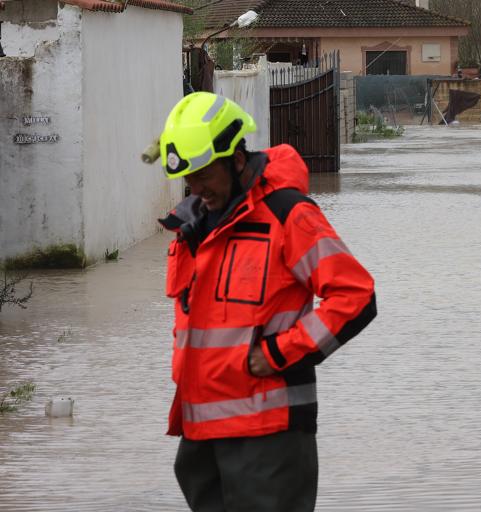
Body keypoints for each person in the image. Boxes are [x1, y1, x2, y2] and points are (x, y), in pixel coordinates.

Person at [157, 92, 377, 511]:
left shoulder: (287, 215)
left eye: (204, 174)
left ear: (236, 160)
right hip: (201, 439)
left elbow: (355, 295)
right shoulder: (194, 227)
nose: (195, 187)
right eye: (188, 177)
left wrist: (279, 353)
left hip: (268, 435)